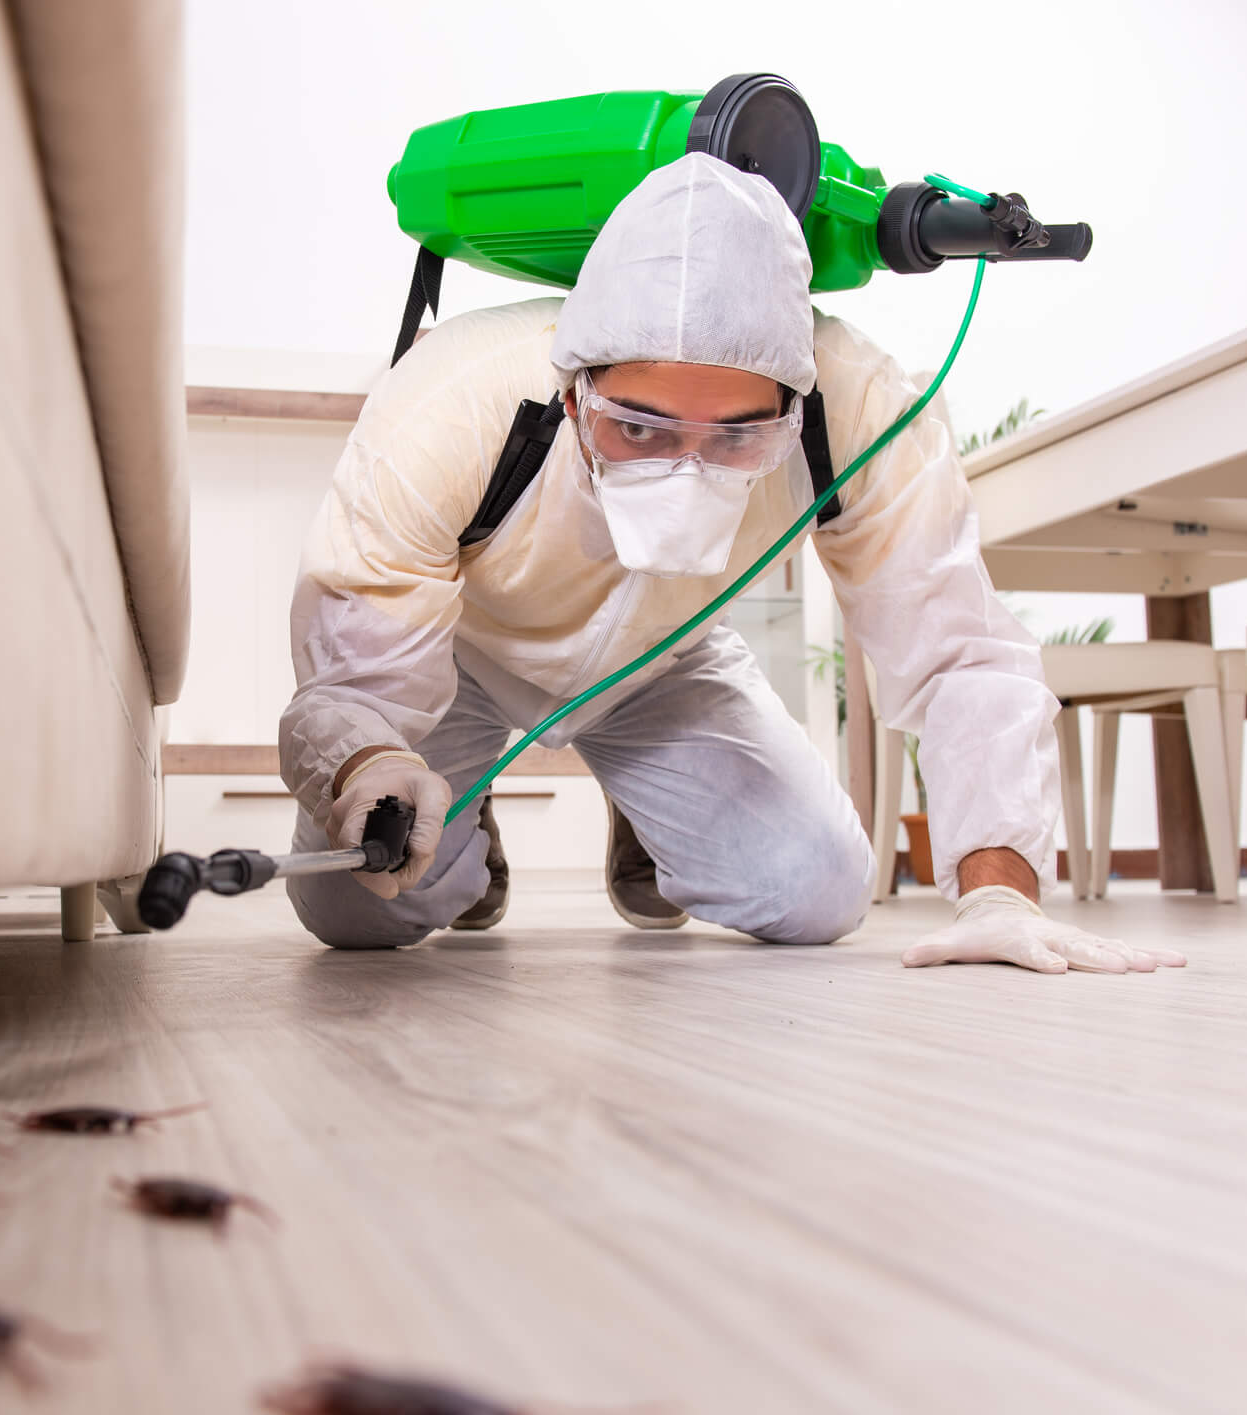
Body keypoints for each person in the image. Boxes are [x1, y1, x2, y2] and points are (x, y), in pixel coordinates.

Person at [275, 153, 1184, 975]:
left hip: (667, 662)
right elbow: (357, 655)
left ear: (792, 402)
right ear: (572, 386)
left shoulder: (857, 406)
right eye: (638, 427)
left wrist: (998, 891)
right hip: (458, 659)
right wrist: (367, 762)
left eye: (738, 435)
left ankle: (645, 804)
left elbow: (956, 648)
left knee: (816, 890)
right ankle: (469, 847)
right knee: (357, 903)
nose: (685, 469)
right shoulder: (451, 397)